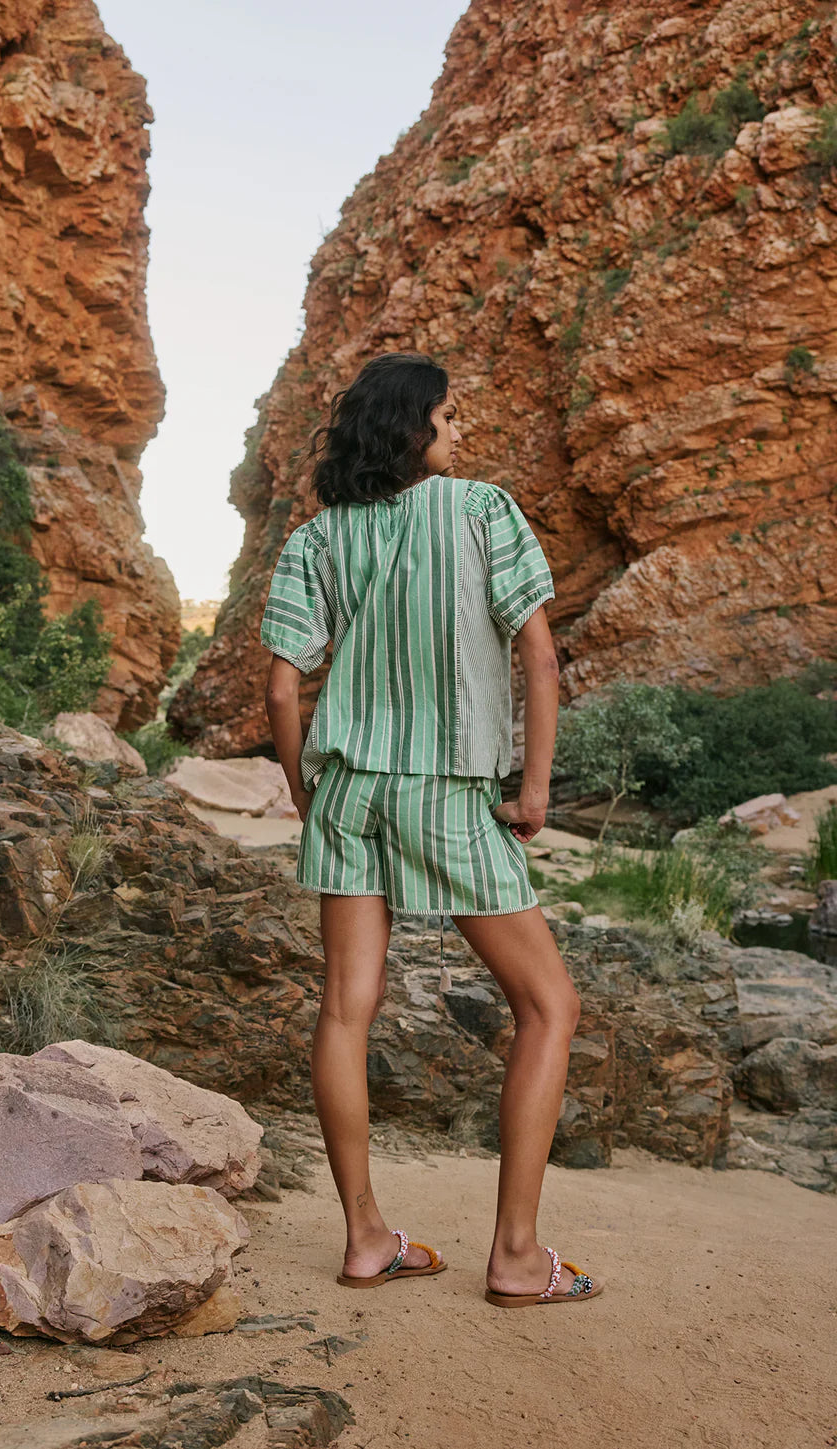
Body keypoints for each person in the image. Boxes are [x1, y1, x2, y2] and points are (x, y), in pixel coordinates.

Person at [260, 352, 601, 1308]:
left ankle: (367, 1237)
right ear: (414, 427)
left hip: (349, 792)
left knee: (345, 1009)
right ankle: (517, 1256)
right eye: (449, 416)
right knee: (549, 1007)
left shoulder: (317, 539)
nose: (461, 431)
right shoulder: (482, 509)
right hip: (447, 792)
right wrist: (534, 790)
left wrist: (304, 791)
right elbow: (539, 656)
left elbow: (283, 688)